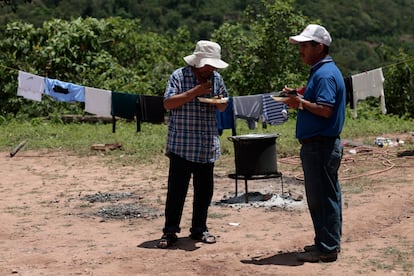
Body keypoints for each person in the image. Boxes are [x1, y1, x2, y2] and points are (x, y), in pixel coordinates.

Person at [157, 40, 229, 249]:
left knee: (204, 192)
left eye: (214, 66)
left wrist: (221, 102)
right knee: (176, 191)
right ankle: (170, 231)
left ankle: (199, 229)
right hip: (182, 145)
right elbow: (168, 103)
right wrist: (195, 92)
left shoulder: (216, 78)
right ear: (197, 62)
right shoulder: (179, 76)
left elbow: (223, 106)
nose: (211, 69)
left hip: (207, 145)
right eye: (208, 65)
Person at [285, 24, 346, 262]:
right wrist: (299, 93)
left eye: (304, 45)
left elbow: (325, 109)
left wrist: (298, 102)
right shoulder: (321, 71)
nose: (300, 50)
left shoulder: (325, 74)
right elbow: (317, 98)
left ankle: (327, 248)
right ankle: (327, 242)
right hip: (321, 145)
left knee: (321, 197)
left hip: (320, 145)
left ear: (319, 47)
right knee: (326, 196)